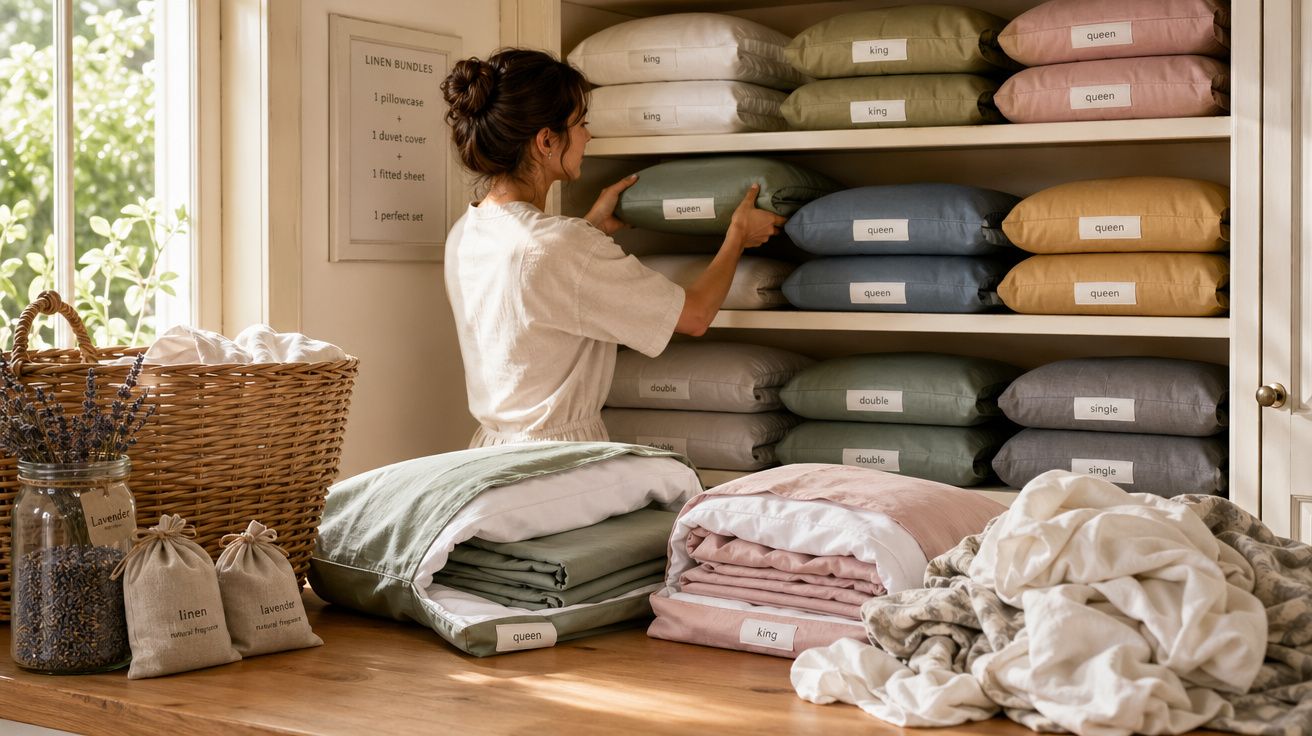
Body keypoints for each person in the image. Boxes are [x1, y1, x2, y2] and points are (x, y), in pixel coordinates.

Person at [440, 48, 785, 447]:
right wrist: (738, 235)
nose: (588, 136)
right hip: (557, 460)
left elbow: (537, 292)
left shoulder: (467, 230)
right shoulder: (564, 244)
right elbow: (694, 316)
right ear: (547, 141)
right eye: (580, 124)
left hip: (490, 454)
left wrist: (590, 228)